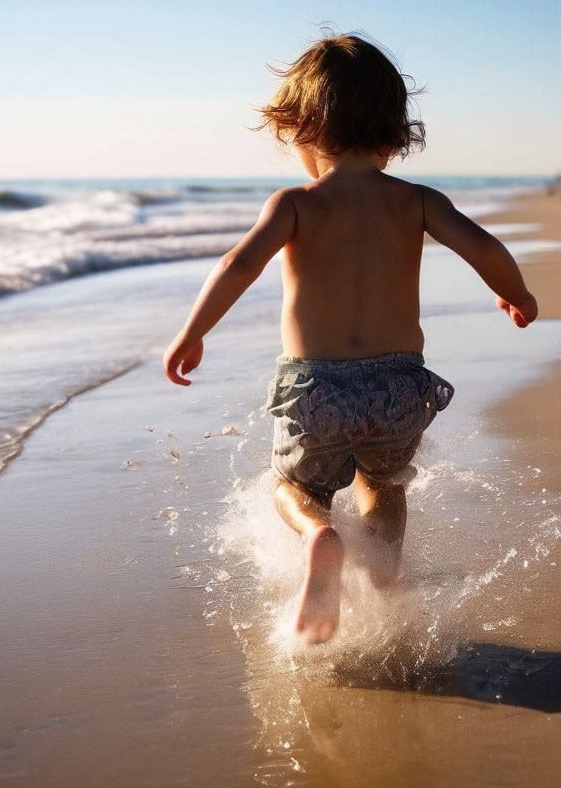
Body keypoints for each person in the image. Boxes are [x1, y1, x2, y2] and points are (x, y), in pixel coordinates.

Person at [162, 34, 539, 645]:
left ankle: (318, 536)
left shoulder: (296, 203)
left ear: (302, 126)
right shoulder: (417, 201)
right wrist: (517, 296)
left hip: (317, 389)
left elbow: (237, 265)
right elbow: (486, 249)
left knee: (293, 486)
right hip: (398, 387)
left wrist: (193, 332)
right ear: (395, 129)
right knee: (383, 488)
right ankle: (388, 594)